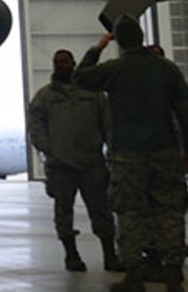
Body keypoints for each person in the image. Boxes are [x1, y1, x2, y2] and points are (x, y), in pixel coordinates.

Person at [76, 16, 188, 292]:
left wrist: (97, 48)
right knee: (169, 212)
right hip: (165, 153)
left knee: (129, 213)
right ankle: (173, 276)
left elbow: (81, 76)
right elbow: (187, 113)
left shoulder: (116, 69)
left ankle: (134, 275)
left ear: (119, 40)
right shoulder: (166, 69)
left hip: (127, 155)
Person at [26, 49, 119, 272]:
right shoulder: (45, 96)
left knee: (101, 211)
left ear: (73, 63)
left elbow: (108, 123)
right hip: (61, 165)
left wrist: (112, 151)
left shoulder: (93, 94)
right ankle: (71, 255)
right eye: (57, 62)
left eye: (64, 61)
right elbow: (35, 124)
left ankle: (110, 255)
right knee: (63, 212)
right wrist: (48, 148)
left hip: (91, 162)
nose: (60, 65)